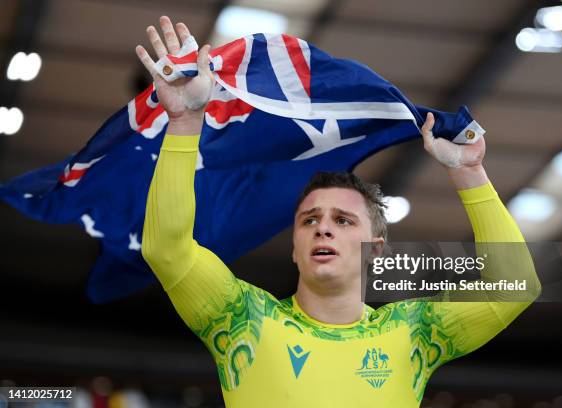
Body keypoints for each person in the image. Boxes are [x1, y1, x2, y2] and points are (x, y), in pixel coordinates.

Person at [137, 16, 541, 408]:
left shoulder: (414, 332)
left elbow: (516, 286)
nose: (323, 230)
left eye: (343, 220)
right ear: (294, 247)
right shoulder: (242, 315)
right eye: (309, 220)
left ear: (375, 248)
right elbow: (166, 250)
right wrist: (185, 120)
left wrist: (469, 172)